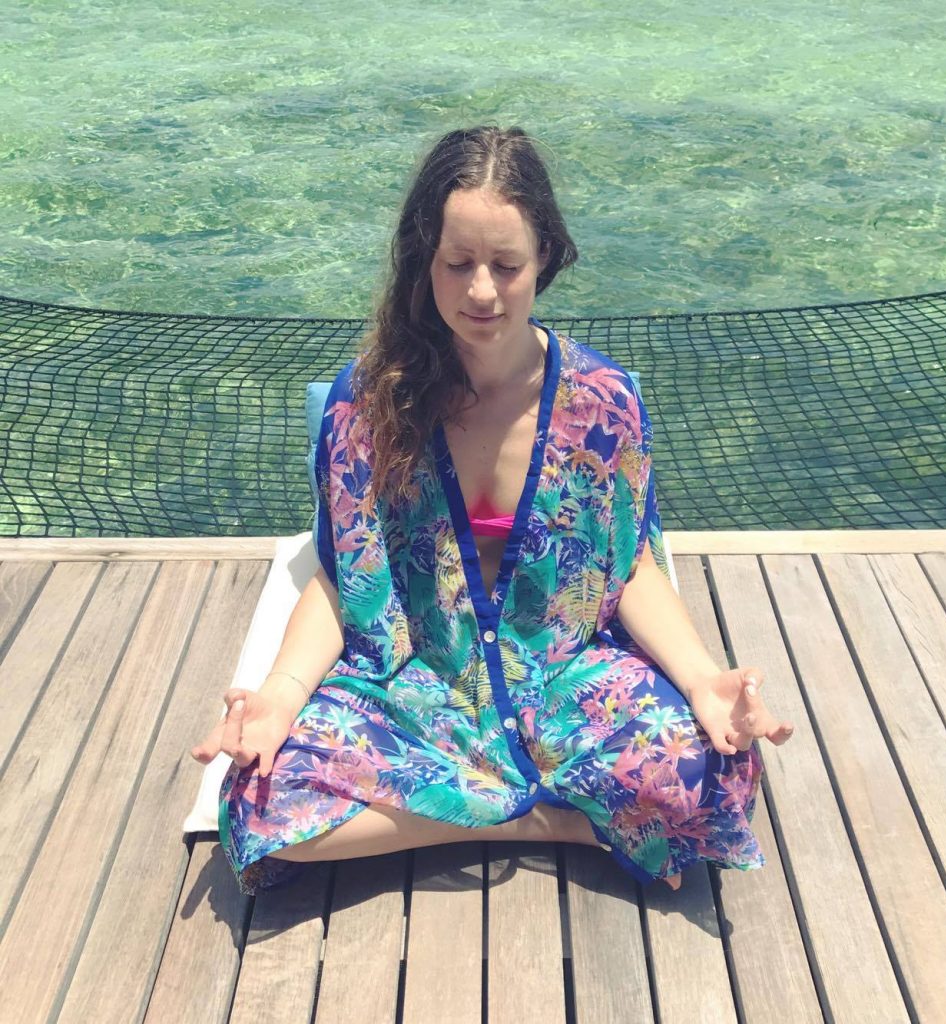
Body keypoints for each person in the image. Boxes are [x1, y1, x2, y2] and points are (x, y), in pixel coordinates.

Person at [191, 125, 795, 897]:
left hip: (565, 677)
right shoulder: (367, 405)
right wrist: (277, 697)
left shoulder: (601, 406)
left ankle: (456, 818)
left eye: (506, 266)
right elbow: (348, 579)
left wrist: (705, 678)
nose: (482, 291)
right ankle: (557, 822)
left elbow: (628, 565)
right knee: (260, 794)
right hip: (416, 682)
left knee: (715, 771)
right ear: (424, 259)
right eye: (458, 263)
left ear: (547, 259)